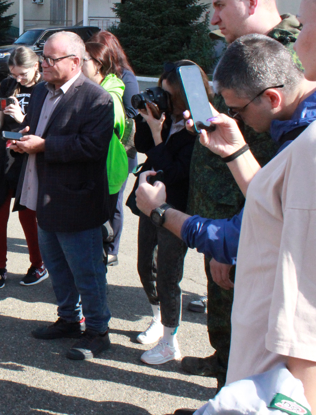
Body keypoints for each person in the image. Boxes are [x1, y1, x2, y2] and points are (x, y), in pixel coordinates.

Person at [135, 32, 316, 408]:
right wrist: (235, 151)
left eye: (237, 110)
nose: (234, 118)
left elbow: (242, 234)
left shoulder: (306, 147)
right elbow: (270, 201)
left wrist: (160, 211)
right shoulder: (294, 131)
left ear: (271, 98)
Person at [183, 0, 302, 388]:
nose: (213, 18)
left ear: (251, 1)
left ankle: (234, 389)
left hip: (248, 228)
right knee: (230, 326)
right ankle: (223, 374)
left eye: (219, 5)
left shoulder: (288, 60)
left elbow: (276, 175)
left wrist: (230, 243)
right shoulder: (244, 50)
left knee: (252, 334)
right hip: (228, 220)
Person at [10, 32, 114, 361]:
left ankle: (98, 331)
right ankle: (69, 319)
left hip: (77, 203)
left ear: (74, 62)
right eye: (44, 57)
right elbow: (37, 126)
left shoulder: (97, 99)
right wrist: (24, 134)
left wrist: (44, 146)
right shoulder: (43, 90)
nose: (45, 64)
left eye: (52, 59)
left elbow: (92, 148)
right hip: (45, 197)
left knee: (86, 270)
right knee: (56, 265)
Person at [129, 61, 210, 366]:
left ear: (184, 96)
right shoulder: (168, 118)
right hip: (150, 202)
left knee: (168, 274)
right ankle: (157, 318)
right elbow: (143, 146)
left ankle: (169, 341)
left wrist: (158, 132)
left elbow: (174, 171)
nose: (160, 98)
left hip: (177, 208)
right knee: (143, 265)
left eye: (166, 94)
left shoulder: (198, 126)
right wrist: (146, 119)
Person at [0, 46, 46, 289]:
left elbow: (45, 129)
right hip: (4, 152)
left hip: (29, 155)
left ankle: (38, 264)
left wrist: (22, 118)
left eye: (23, 74)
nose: (18, 79)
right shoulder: (8, 85)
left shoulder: (44, 88)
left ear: (36, 66)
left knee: (28, 213)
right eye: (14, 74)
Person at [89, 31, 140, 266]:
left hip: (122, 151)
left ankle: (112, 248)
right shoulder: (99, 80)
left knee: (115, 204)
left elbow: (131, 114)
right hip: (105, 154)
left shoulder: (125, 78)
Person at [82, 41, 129, 259]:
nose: (78, 64)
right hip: (93, 170)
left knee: (100, 228)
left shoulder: (110, 92)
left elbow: (116, 121)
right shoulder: (86, 87)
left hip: (108, 170)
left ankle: (104, 264)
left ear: (98, 65)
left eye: (83, 60)